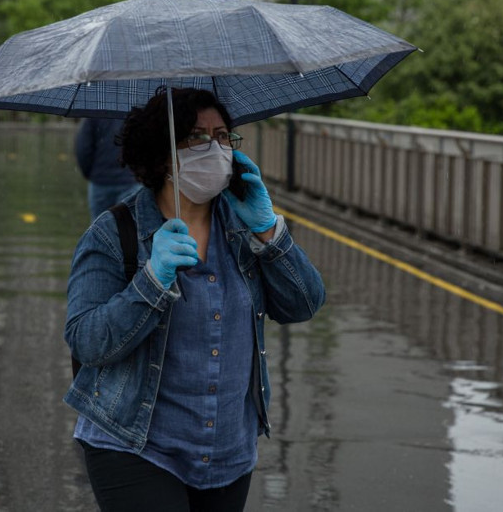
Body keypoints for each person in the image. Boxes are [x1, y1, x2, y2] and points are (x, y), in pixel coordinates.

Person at [64, 87, 326, 511]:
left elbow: (305, 304)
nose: (216, 148)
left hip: (227, 453)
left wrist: (268, 232)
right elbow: (86, 340)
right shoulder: (114, 234)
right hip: (135, 445)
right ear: (164, 153)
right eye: (197, 137)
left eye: (223, 136)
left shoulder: (242, 226)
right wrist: (152, 280)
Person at [74, 117, 141, 220]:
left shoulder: (94, 113)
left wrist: (90, 174)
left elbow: (83, 148)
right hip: (130, 179)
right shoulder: (135, 112)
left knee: (98, 230)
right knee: (130, 229)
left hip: (101, 181)